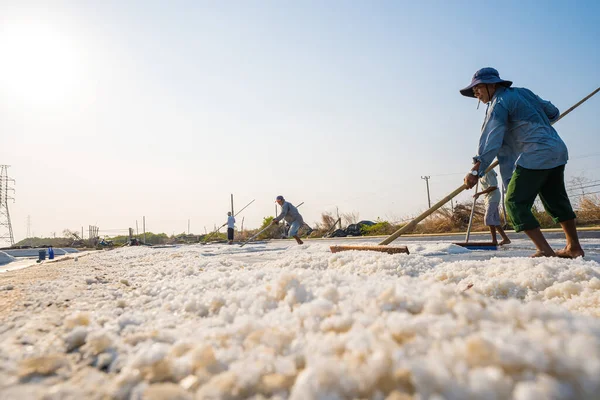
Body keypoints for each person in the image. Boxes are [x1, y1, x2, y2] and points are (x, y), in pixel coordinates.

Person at [461, 67, 584, 258]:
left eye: (478, 87)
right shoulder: (524, 92)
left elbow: (491, 140)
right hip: (556, 149)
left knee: (514, 202)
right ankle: (573, 247)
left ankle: (544, 250)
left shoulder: (498, 103)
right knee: (555, 198)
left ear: (492, 84)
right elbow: (553, 112)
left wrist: (476, 170)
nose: (475, 92)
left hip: (536, 153)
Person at [473, 169, 511, 246]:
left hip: (493, 197)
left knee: (488, 218)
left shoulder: (488, 171)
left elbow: (493, 186)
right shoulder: (481, 173)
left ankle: (494, 240)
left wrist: (479, 193)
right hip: (488, 198)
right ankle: (505, 239)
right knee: (495, 220)